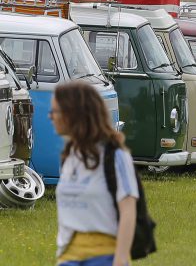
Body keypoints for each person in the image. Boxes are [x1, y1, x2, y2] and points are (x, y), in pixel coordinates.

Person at [53, 80, 138, 266]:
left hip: (104, 256)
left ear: (74, 114)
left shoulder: (115, 156)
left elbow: (129, 209)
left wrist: (121, 258)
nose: (51, 117)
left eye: (56, 111)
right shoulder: (69, 156)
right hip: (68, 257)